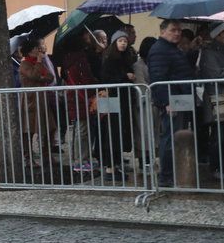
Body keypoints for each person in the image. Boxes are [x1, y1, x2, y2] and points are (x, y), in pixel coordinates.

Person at [148, 19, 196, 187]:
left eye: (179, 31)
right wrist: (165, 102)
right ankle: (166, 175)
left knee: (176, 136)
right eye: (173, 30)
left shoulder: (171, 48)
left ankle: (174, 172)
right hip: (172, 100)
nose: (177, 33)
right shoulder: (160, 50)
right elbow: (158, 78)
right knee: (169, 137)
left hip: (180, 98)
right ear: (163, 31)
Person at [197, 21, 224, 181]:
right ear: (217, 35)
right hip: (216, 97)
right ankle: (215, 167)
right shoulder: (208, 52)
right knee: (218, 135)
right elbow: (217, 75)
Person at [98, 31, 136, 177]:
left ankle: (117, 163)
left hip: (123, 99)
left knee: (120, 132)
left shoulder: (126, 59)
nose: (123, 43)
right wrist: (124, 76)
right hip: (112, 99)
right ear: (115, 43)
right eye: (120, 41)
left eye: (125, 41)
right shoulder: (109, 59)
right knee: (111, 132)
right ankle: (110, 167)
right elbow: (107, 78)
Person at [60, 34, 99, 173]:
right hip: (80, 98)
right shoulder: (74, 60)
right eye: (86, 37)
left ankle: (85, 158)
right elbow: (78, 81)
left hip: (82, 97)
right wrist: (87, 97)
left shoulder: (80, 57)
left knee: (86, 130)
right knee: (82, 130)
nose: (89, 38)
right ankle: (80, 161)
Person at [19, 39, 56, 179]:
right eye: (35, 48)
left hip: (42, 100)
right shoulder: (25, 63)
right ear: (29, 51)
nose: (38, 51)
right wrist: (40, 68)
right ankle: (28, 158)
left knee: (49, 128)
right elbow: (33, 75)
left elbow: (50, 77)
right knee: (29, 130)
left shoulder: (37, 62)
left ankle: (47, 156)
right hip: (30, 101)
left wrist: (41, 75)